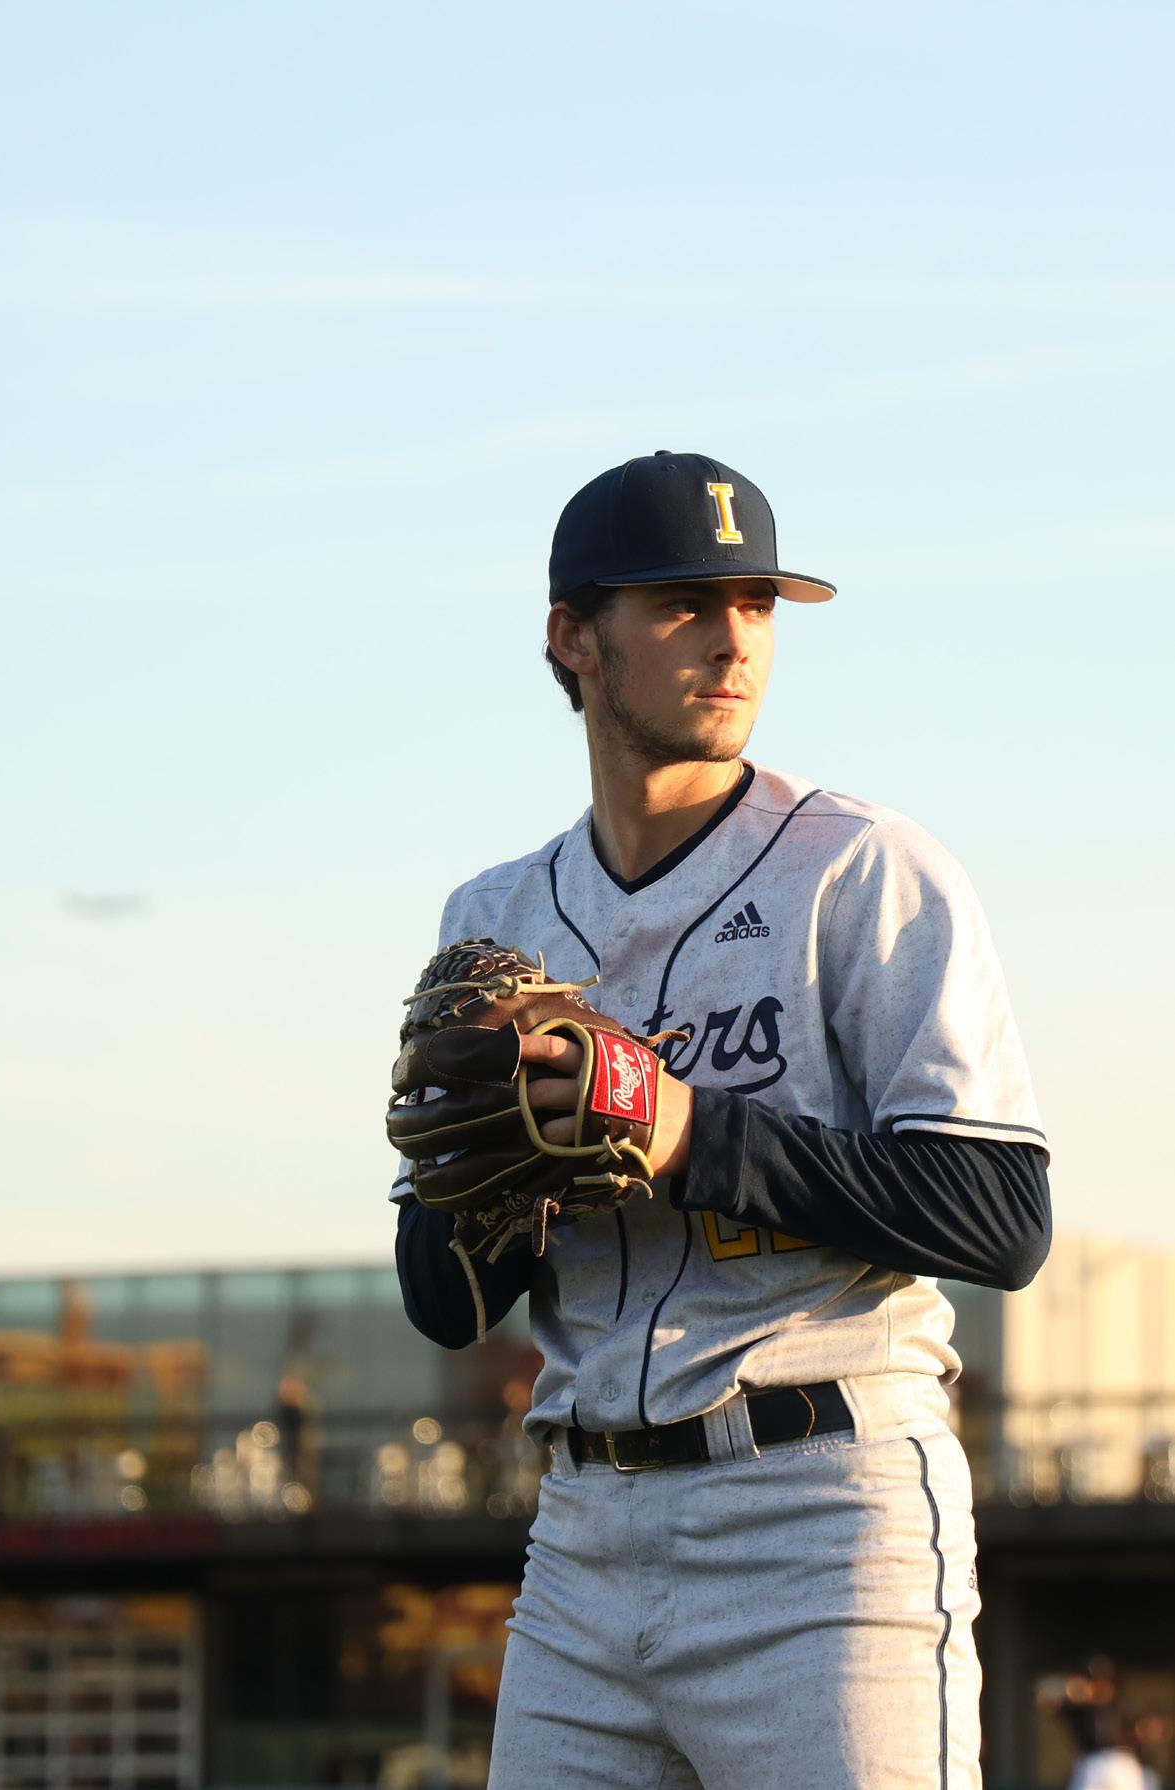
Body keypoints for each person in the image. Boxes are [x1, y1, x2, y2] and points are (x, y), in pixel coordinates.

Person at [390, 451, 1051, 1789]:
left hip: (820, 1517)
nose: (734, 637)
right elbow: (445, 1306)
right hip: (581, 1532)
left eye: (754, 603)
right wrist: (499, 1179)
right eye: (683, 603)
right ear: (574, 636)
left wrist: (685, 1127)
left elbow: (1000, 1217)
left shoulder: (862, 868)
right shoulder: (495, 917)